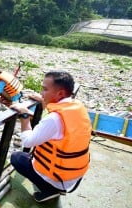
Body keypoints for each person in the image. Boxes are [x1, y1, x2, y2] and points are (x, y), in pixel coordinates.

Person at [9, 70, 91, 202]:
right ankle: (51, 185)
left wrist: (24, 116)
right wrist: (44, 100)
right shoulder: (77, 106)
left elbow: (28, 142)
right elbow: (54, 112)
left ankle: (49, 189)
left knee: (17, 158)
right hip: (74, 174)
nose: (41, 93)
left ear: (60, 93)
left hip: (58, 178)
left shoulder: (54, 119)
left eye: (45, 89)